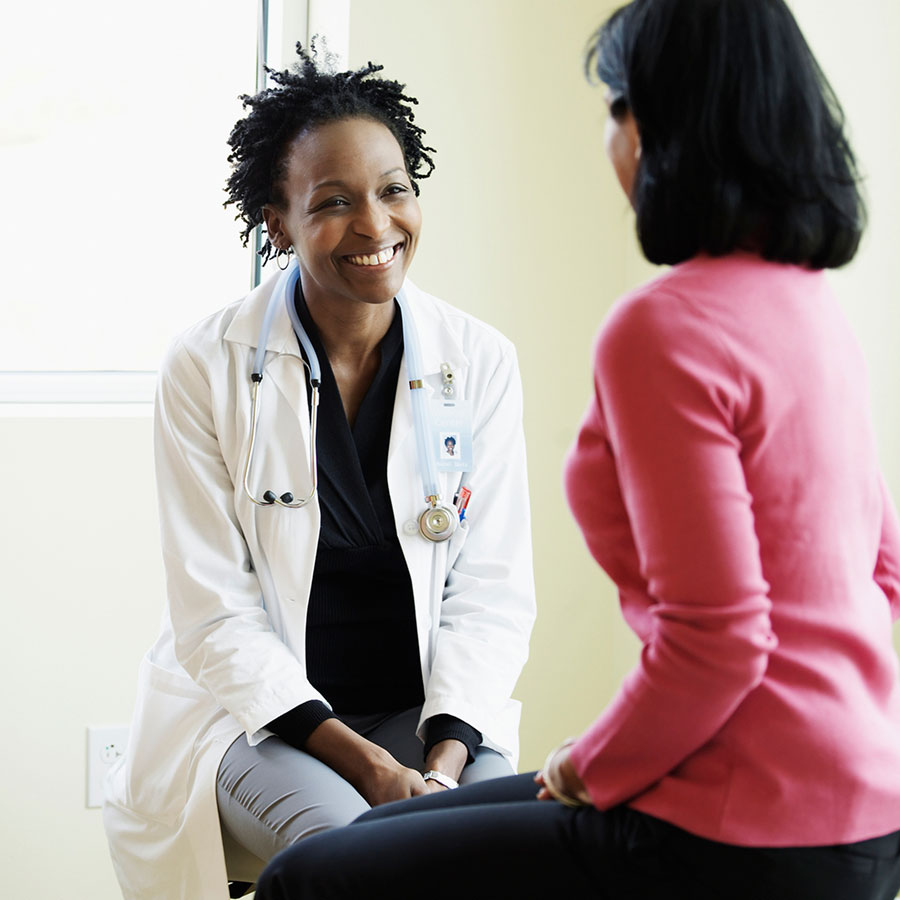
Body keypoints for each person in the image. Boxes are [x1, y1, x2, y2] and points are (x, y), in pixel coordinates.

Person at [252, 2, 900, 899]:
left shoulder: (664, 328)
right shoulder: (812, 308)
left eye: (615, 108)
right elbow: (881, 570)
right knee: (374, 839)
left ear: (655, 129)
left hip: (734, 824)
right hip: (863, 804)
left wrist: (588, 763)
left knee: (308, 881)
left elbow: (718, 643)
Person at [102, 45, 535, 900]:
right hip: (259, 723)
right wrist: (370, 766)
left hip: (432, 718)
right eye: (334, 203)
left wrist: (443, 764)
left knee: (506, 861)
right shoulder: (206, 365)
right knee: (351, 858)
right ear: (278, 223)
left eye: (395, 190)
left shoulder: (476, 361)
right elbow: (215, 616)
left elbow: (491, 591)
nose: (376, 226)